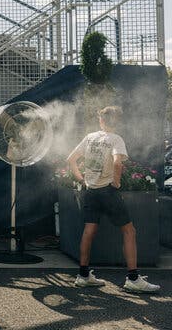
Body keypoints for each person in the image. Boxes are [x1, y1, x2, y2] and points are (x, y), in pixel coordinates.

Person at [67, 106, 160, 293]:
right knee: (129, 231)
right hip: (108, 191)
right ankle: (133, 278)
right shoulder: (116, 139)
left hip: (91, 191)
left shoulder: (90, 137)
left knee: (89, 230)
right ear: (116, 121)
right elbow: (117, 162)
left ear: (101, 120)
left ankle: (83, 275)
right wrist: (116, 183)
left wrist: (82, 179)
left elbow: (70, 160)